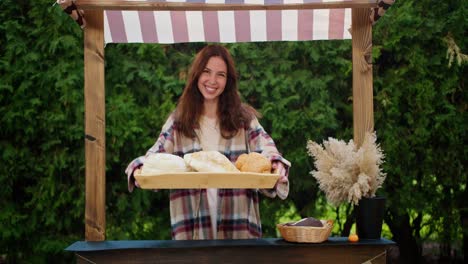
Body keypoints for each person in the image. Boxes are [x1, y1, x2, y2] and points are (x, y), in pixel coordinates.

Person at [126, 44, 291, 240]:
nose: (212, 80)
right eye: (206, 71)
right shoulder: (178, 121)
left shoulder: (244, 120)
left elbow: (267, 149)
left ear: (228, 80)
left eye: (221, 74)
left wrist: (276, 164)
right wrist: (138, 167)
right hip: (191, 231)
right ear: (196, 74)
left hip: (238, 230)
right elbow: (155, 155)